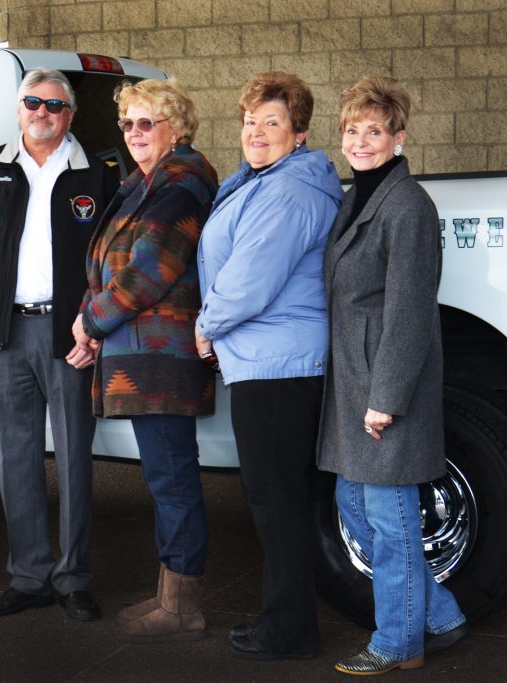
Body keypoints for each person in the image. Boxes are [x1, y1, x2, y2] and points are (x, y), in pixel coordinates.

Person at [0, 68, 118, 622]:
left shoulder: (96, 173)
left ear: (69, 115)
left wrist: (94, 327)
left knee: (73, 458)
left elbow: (112, 263)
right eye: (32, 103)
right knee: (14, 459)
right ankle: (28, 576)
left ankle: (73, 578)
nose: (42, 112)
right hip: (7, 335)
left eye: (54, 105)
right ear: (19, 109)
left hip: (70, 335)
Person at [319, 75, 467, 676]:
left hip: (383, 385)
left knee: (389, 515)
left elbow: (409, 309)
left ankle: (398, 642)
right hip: (356, 379)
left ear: (398, 138)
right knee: (353, 501)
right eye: (352, 130)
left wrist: (386, 399)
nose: (360, 141)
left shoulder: (408, 205)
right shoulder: (359, 196)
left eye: (374, 131)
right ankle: (442, 614)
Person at [194, 72, 342, 659]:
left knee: (275, 499)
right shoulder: (261, 182)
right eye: (251, 121)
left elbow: (250, 279)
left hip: (276, 363)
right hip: (267, 358)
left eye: (272, 122)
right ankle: (287, 621)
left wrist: (205, 328)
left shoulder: (289, 192)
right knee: (280, 497)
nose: (256, 131)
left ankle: (290, 630)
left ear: (299, 133)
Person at [72, 79, 218, 642]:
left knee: (173, 477)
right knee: (165, 477)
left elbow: (150, 268)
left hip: (160, 357)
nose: (134, 133)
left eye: (147, 123)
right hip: (142, 353)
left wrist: (91, 321)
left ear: (175, 128)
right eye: (128, 123)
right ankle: (171, 598)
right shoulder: (147, 181)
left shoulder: (180, 182)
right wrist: (91, 319)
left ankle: (184, 607)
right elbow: (108, 265)